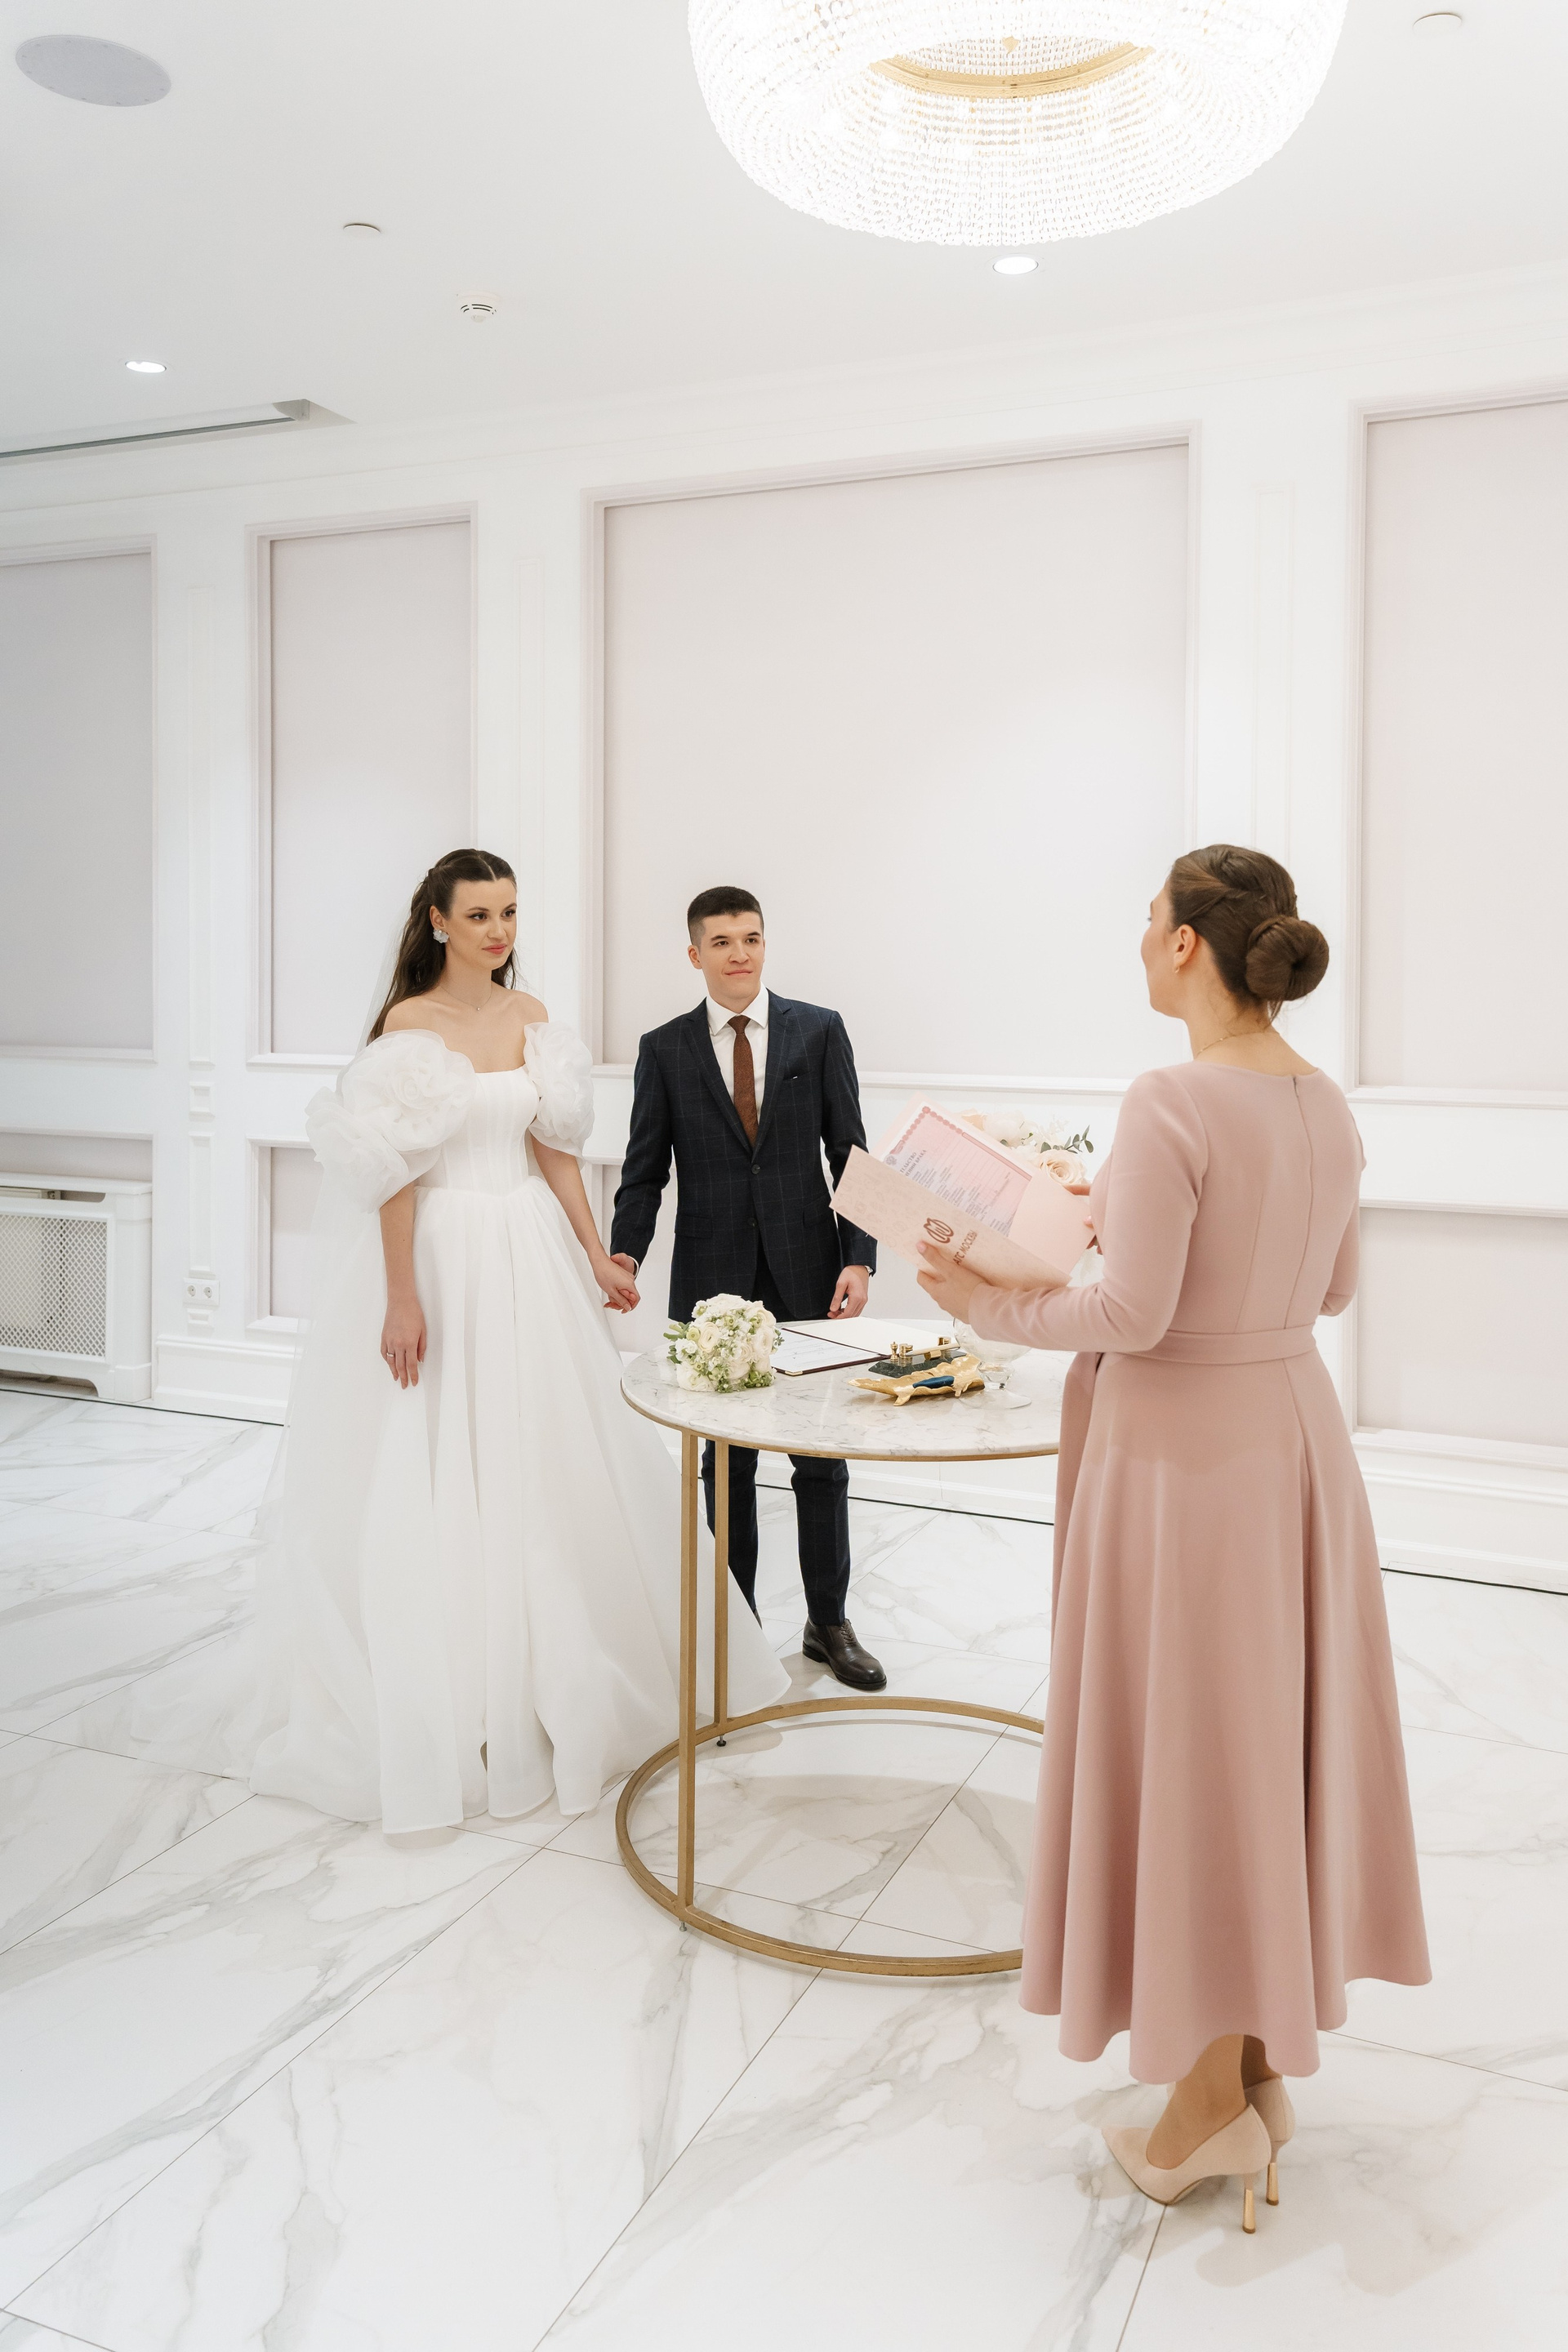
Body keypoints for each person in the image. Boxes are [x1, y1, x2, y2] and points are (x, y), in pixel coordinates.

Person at [916, 844, 1429, 2231]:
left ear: (1190, 945)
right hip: (1292, 1442)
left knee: (1197, 1755)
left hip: (1184, 1465)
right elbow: (1330, 1285)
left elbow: (1132, 1316)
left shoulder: (1171, 1098)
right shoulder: (1323, 1099)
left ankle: (1206, 2103)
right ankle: (1252, 2066)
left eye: (1149, 921)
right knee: (1259, 1746)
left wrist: (981, 1299)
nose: (1141, 941)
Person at [158, 849, 787, 1833]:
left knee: (550, 1456)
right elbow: (394, 1176)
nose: (500, 932)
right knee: (448, 1453)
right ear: (440, 922)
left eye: (510, 913)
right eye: (481, 915)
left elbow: (556, 1151)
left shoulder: (531, 1017)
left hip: (528, 1246)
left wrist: (596, 1255)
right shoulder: (409, 1028)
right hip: (446, 1254)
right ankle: (460, 1687)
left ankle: (561, 1674)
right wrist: (401, 1298)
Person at [610, 888, 887, 1692]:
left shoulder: (818, 1030)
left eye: (753, 938)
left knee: (821, 1458)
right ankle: (737, 1634)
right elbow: (644, 1172)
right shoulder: (664, 1048)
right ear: (695, 954)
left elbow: (851, 1153)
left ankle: (828, 1623)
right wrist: (626, 1255)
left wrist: (860, 1258)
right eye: (723, 941)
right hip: (710, 1282)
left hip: (810, 1272)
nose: (740, 953)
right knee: (725, 1466)